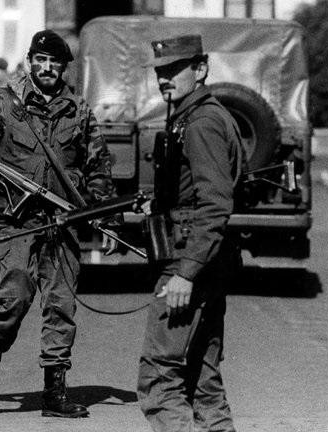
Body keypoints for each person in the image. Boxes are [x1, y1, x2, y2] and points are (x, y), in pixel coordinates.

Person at [0, 29, 117, 418]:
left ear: (63, 68)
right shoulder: (3, 105)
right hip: (18, 221)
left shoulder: (78, 110)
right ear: (29, 62)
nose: (47, 69)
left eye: (55, 63)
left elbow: (98, 168)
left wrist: (108, 220)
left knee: (61, 306)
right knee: (16, 297)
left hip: (64, 222)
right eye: (40, 61)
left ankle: (54, 393)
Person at [137, 34, 243, 432]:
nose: (165, 79)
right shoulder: (197, 114)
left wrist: (185, 272)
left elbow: (215, 202)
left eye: (174, 70)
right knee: (202, 374)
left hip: (191, 261)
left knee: (159, 375)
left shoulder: (202, 122)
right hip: (206, 257)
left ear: (200, 69)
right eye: (161, 72)